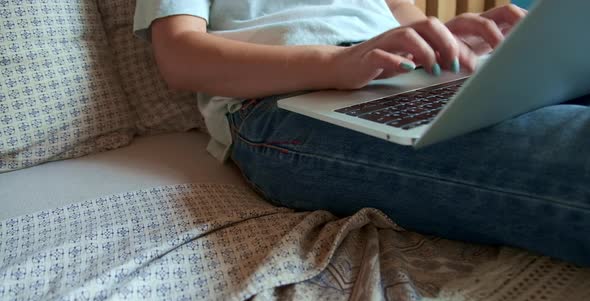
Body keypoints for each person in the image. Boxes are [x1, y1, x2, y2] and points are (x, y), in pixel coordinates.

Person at [134, 1, 590, 266]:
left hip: (400, 77)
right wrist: (336, 64)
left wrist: (452, 45)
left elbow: (406, 22)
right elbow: (180, 57)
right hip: (284, 101)